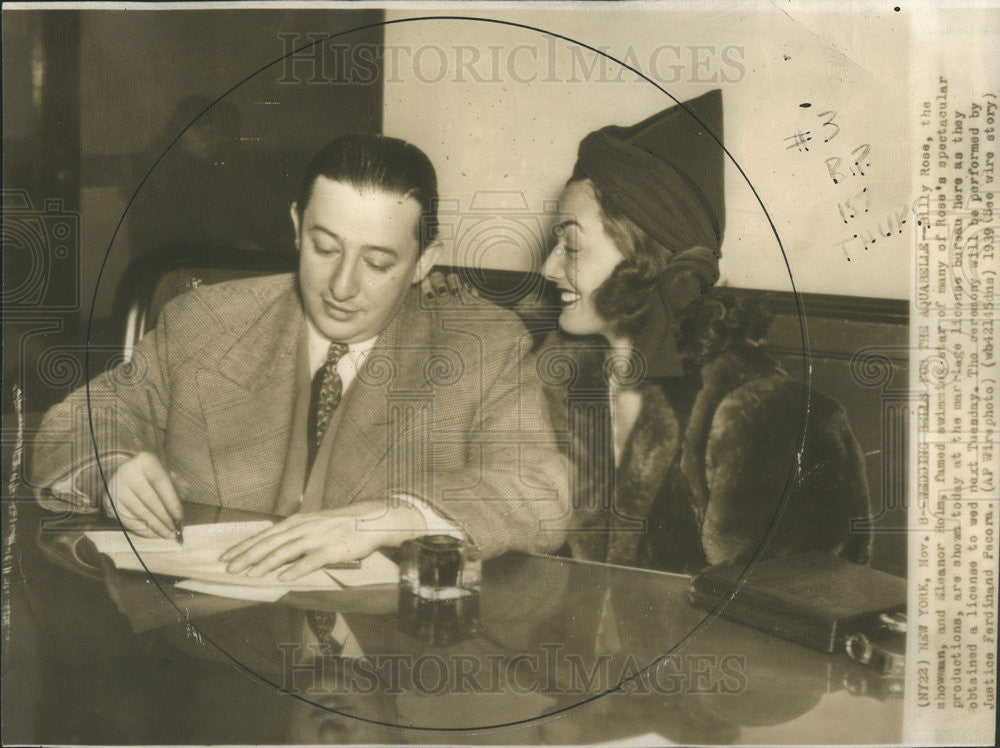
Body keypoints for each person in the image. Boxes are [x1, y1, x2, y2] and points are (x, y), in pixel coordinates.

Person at [31, 133, 569, 578]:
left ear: (425, 260)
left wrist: (390, 517)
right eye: (325, 247)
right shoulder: (207, 320)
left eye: (378, 262)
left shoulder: (482, 348)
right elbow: (75, 422)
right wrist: (110, 467)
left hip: (382, 662)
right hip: (216, 654)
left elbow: (541, 489)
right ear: (296, 226)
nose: (341, 285)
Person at [537, 89, 872, 574]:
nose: (548, 268)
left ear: (641, 256)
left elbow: (783, 613)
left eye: (570, 245)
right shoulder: (556, 383)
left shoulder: (766, 414)